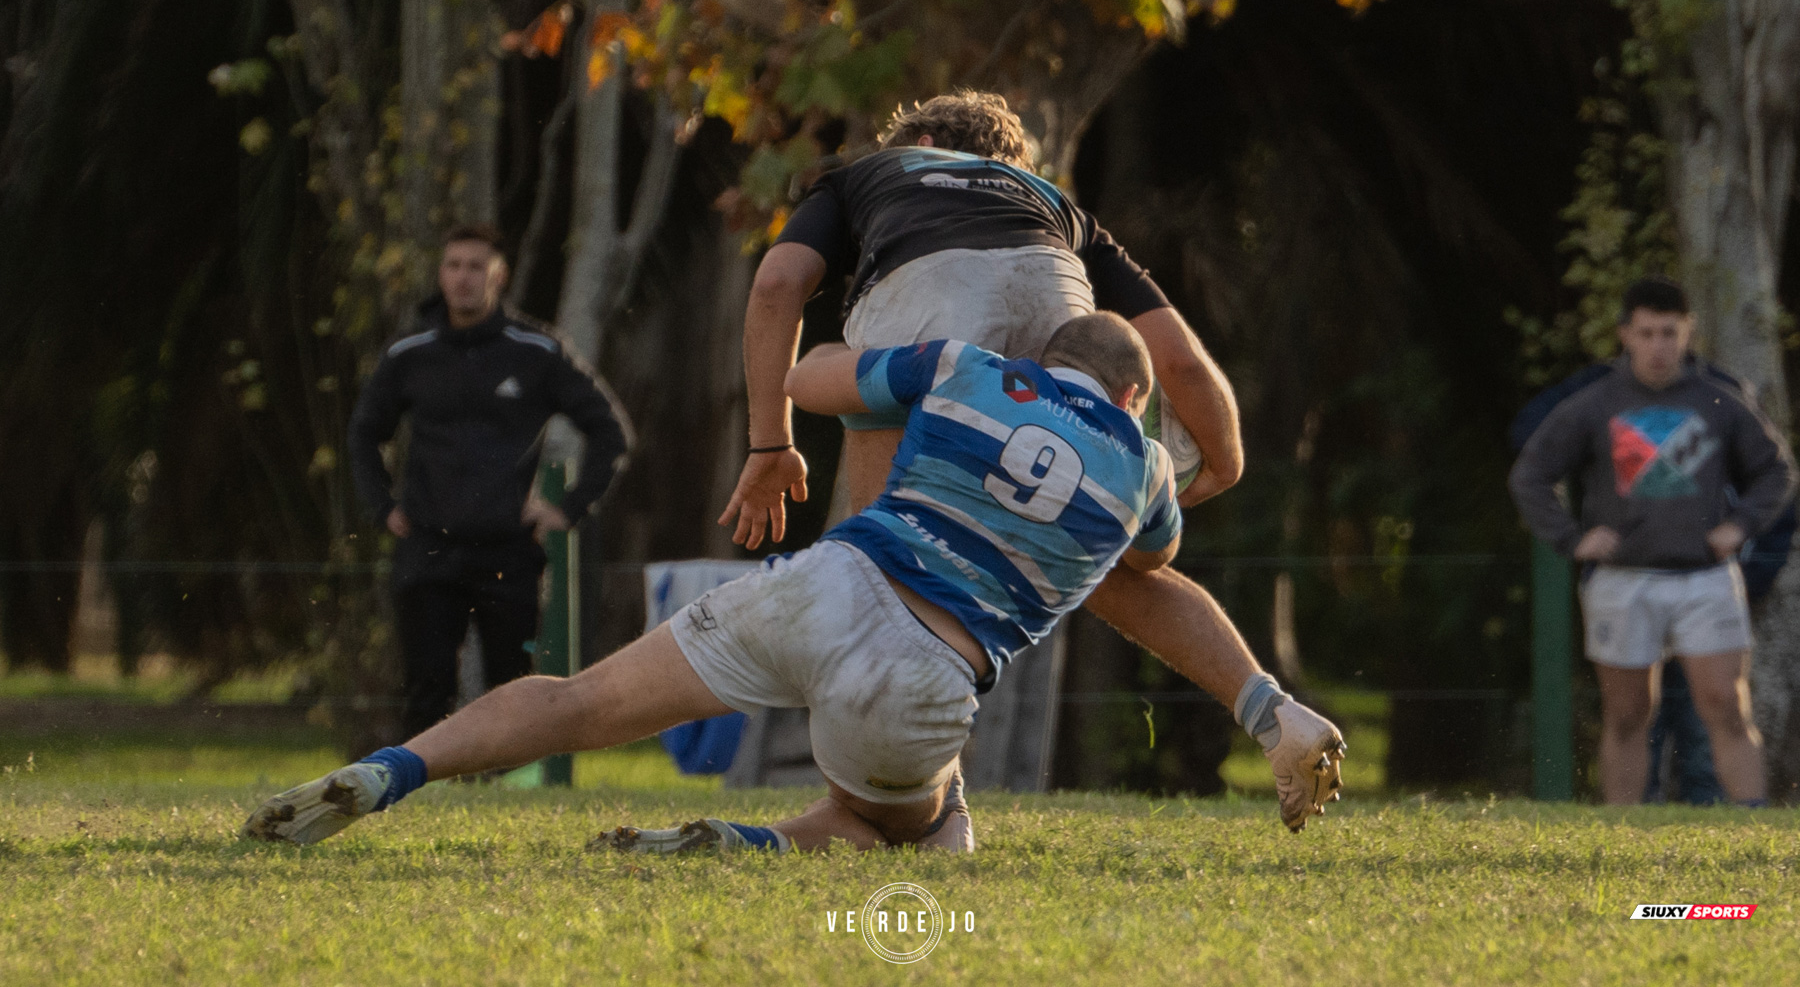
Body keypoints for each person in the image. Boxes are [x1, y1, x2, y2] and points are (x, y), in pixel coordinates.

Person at [244, 315, 1345, 849]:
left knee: (577, 700)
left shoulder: (959, 365)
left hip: (825, 580)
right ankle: (757, 845)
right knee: (913, 830)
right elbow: (1149, 567)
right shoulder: (1143, 462)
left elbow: (819, 380)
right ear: (1133, 390)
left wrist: (840, 379)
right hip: (925, 674)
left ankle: (392, 771)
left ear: (1043, 354)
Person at [719, 88, 1242, 550]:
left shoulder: (867, 175)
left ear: (920, 139)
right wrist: (1224, 463)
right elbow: (1181, 363)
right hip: (1054, 311)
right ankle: (1233, 660)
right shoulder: (1057, 206)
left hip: (930, 318)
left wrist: (771, 443)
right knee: (1041, 550)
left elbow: (775, 286)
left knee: (890, 552)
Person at [1509, 275, 1796, 806]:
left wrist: (1741, 525)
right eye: (1647, 333)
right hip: (1622, 580)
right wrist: (1571, 538)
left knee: (1726, 707)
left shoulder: (1720, 401)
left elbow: (1777, 471)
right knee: (1627, 716)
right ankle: (1622, 834)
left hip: (1704, 578)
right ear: (1625, 335)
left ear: (1688, 333)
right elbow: (1530, 475)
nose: (1659, 346)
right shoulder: (1595, 402)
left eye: (1670, 333)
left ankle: (1753, 830)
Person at [347, 224, 632, 739]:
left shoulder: (537, 351)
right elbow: (364, 434)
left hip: (509, 550)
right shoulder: (409, 353)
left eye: (476, 266)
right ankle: (420, 796)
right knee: (426, 689)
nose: (463, 277)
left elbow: (611, 433)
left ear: (498, 276)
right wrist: (381, 506)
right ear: (441, 274)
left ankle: (505, 796)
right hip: (428, 546)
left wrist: (567, 509)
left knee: (513, 692)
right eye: (453, 265)